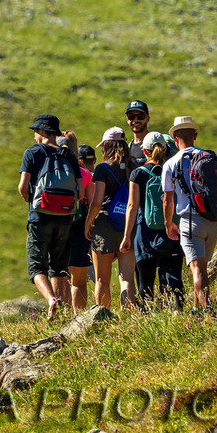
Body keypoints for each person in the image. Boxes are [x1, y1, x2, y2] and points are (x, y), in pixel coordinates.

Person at [161, 116, 217, 311]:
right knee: (202, 267)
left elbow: (167, 200)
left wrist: (168, 223)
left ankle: (207, 309)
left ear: (174, 137)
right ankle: (197, 310)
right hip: (214, 220)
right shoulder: (212, 157)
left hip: (189, 221)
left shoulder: (170, 164)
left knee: (197, 268)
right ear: (194, 135)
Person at [18, 113, 81, 319]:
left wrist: (30, 198)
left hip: (39, 217)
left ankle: (51, 300)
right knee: (59, 266)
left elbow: (22, 186)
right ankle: (61, 308)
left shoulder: (32, 153)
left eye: (36, 131)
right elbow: (80, 188)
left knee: (36, 266)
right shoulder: (69, 155)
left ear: (43, 132)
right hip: (64, 218)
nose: (35, 135)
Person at [123, 132, 184, 310]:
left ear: (144, 150)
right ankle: (178, 314)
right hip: (171, 230)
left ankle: (146, 318)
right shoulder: (173, 170)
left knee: (145, 283)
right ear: (165, 149)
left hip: (145, 233)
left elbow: (132, 206)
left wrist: (127, 236)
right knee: (173, 278)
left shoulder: (137, 174)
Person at [84, 128, 139, 311]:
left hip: (105, 223)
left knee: (102, 279)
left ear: (107, 146)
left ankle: (102, 319)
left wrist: (88, 221)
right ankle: (130, 317)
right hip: (128, 224)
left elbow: (97, 201)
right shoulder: (134, 166)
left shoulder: (102, 169)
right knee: (127, 278)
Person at [66, 138, 95, 312]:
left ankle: (60, 317)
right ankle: (78, 318)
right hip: (78, 228)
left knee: (60, 276)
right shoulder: (85, 175)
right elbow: (92, 204)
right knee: (78, 281)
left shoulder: (51, 170)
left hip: (56, 227)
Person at [124, 100, 152, 171]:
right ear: (127, 120)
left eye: (140, 116)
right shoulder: (128, 147)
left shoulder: (154, 143)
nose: (135, 120)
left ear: (147, 119)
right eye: (131, 116)